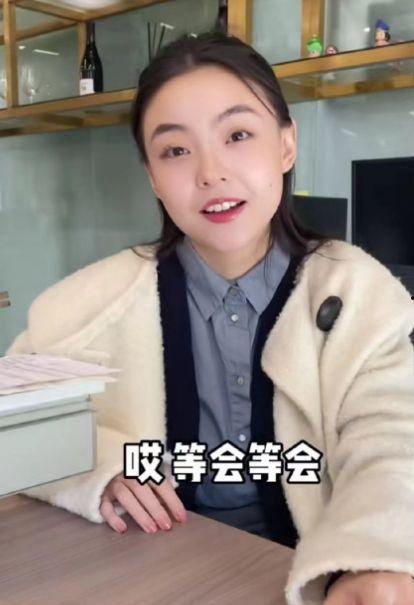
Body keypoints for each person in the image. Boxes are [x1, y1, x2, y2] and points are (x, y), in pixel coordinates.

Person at [7, 32, 414, 605]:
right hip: (144, 572)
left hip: (312, 575)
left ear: (286, 145)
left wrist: (375, 556)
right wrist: (97, 469)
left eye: (238, 135)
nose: (210, 172)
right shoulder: (85, 303)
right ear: (152, 176)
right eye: (176, 150)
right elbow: (16, 427)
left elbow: (392, 435)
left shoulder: (357, 292)